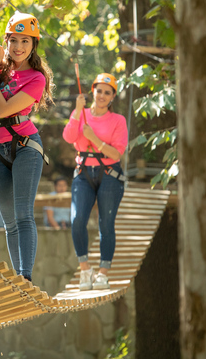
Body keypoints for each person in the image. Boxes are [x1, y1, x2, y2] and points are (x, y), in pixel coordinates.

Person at [0, 12, 54, 283]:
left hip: (24, 146)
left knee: (23, 214)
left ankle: (25, 276)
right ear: (5, 41)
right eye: (14, 40)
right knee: (8, 221)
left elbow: (5, 109)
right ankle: (19, 278)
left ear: (34, 45)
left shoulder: (36, 78)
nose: (18, 47)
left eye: (25, 41)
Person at [63, 73, 128, 291]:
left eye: (107, 93)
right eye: (99, 90)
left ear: (112, 97)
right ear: (92, 91)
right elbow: (69, 137)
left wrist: (94, 139)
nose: (101, 95)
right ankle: (85, 269)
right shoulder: (79, 114)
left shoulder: (118, 121)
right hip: (83, 173)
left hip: (109, 174)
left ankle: (103, 273)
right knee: (77, 219)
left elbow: (116, 153)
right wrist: (78, 111)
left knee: (105, 224)